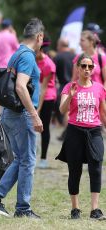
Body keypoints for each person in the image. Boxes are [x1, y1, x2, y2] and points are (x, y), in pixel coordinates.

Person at [0, 18, 44, 218]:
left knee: (21, 160)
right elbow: (20, 86)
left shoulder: (16, 54)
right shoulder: (28, 56)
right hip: (22, 114)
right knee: (28, 161)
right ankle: (22, 208)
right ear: (39, 37)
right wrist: (34, 115)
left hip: (11, 113)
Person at [56, 53, 106, 220]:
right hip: (75, 131)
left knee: (96, 167)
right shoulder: (69, 87)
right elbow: (62, 110)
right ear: (77, 68)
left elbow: (103, 112)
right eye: (83, 66)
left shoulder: (99, 88)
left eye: (90, 67)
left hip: (94, 131)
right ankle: (75, 209)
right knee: (74, 170)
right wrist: (70, 95)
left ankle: (95, 210)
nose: (86, 69)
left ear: (93, 69)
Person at [36, 37, 57, 168]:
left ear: (41, 49)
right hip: (32, 95)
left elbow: (43, 88)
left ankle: (43, 158)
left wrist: (38, 108)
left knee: (44, 127)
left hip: (47, 97)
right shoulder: (32, 59)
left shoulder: (49, 64)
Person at [53, 38, 75, 140]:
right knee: (71, 111)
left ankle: (67, 134)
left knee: (65, 111)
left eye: (58, 45)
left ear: (61, 45)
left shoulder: (57, 57)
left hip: (63, 87)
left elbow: (53, 74)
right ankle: (67, 133)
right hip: (75, 86)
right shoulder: (75, 56)